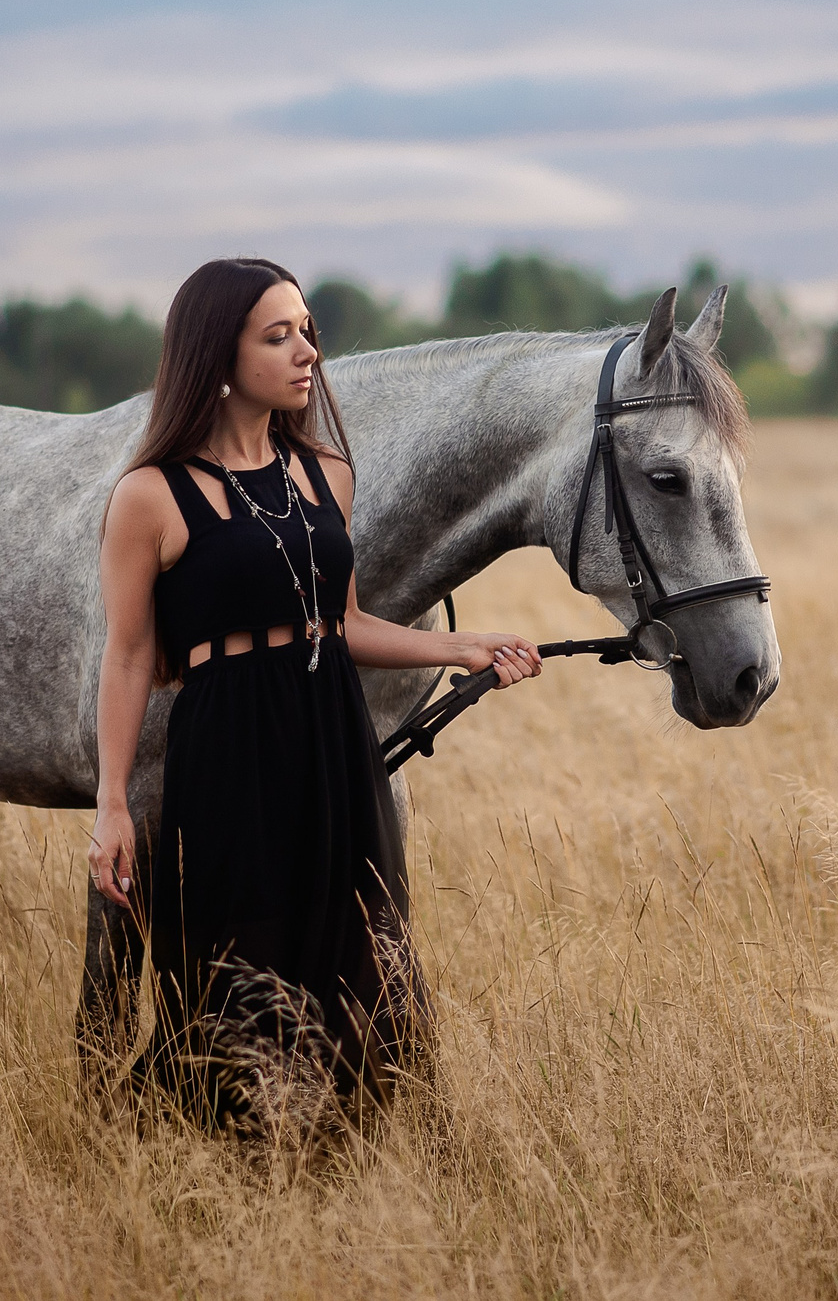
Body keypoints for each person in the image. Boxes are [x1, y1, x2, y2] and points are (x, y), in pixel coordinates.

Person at [88, 257, 541, 1130]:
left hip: (333, 742)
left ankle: (354, 1150)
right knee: (234, 965)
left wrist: (463, 645)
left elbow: (343, 622)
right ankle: (214, 1155)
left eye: (308, 331)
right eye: (279, 336)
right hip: (227, 751)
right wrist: (112, 804)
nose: (308, 353)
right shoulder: (149, 496)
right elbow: (130, 656)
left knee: (361, 951)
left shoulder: (325, 473)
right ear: (218, 356)